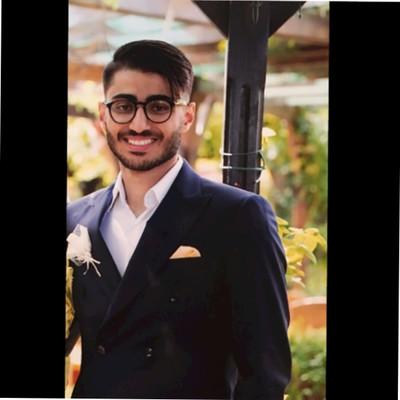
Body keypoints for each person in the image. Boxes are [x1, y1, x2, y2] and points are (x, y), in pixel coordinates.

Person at [66, 40, 291, 399]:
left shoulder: (238, 216)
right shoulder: (74, 220)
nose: (139, 124)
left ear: (186, 116)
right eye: (123, 106)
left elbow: (265, 373)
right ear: (103, 115)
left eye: (159, 107)